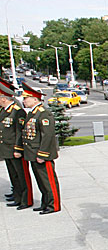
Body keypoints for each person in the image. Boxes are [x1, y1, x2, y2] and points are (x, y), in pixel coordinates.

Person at [19, 81, 60, 215]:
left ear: (34, 99)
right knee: (41, 181)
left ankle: (53, 204)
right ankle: (45, 202)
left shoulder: (43, 114)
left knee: (48, 181)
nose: (24, 101)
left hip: (41, 154)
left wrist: (42, 154)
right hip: (33, 153)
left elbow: (47, 136)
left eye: (26, 98)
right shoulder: (32, 113)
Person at [0, 78, 30, 208]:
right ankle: (17, 197)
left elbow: (19, 132)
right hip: (6, 149)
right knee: (14, 175)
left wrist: (18, 149)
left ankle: (25, 200)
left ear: (4, 99)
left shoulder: (18, 112)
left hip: (15, 149)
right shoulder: (4, 111)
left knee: (21, 176)